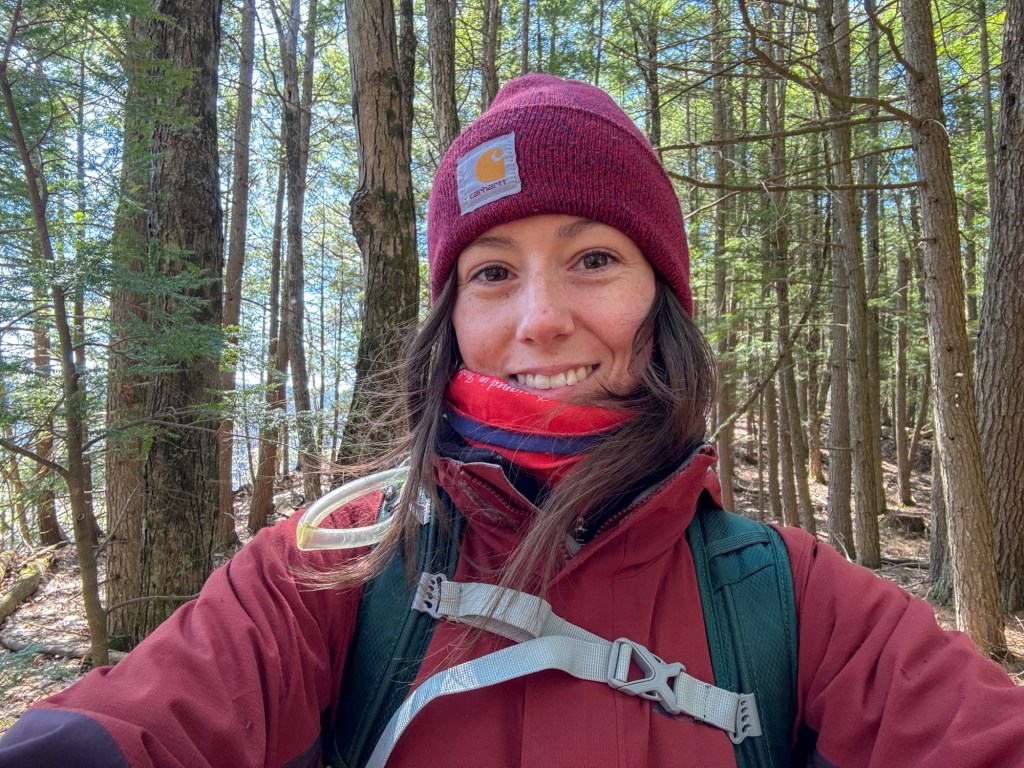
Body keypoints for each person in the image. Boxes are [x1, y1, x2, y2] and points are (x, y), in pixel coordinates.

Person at [1, 73, 1022, 768]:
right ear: (451, 320)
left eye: (592, 260)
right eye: (493, 273)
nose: (541, 320)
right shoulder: (330, 572)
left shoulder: (793, 601)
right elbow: (138, 726)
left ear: (660, 296)